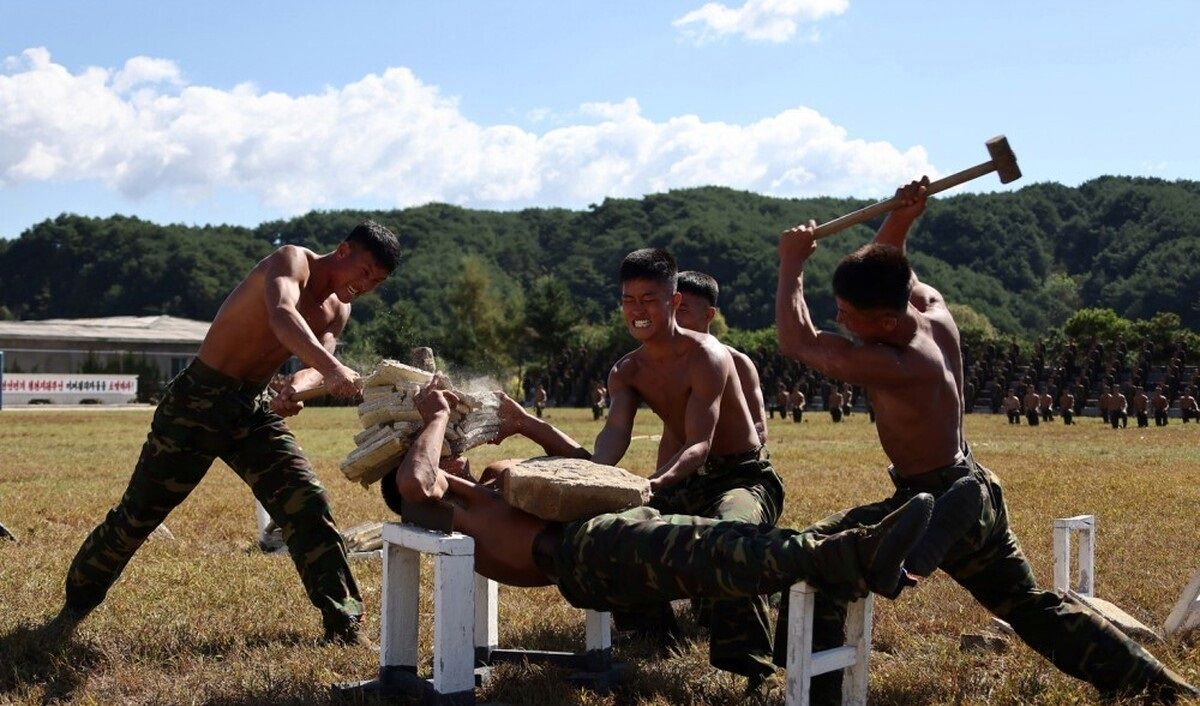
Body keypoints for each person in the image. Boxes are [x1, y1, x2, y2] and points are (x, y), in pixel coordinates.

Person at [775, 177, 1195, 703]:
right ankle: (1156, 685)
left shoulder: (897, 364)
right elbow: (892, 263)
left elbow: (797, 339)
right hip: (970, 488)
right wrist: (903, 216)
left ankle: (826, 678)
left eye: (847, 313)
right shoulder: (934, 314)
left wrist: (791, 261)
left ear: (884, 319)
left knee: (819, 554)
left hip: (939, 499)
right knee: (1026, 607)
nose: (838, 317)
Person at [382, 382, 934, 659]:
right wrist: (435, 418)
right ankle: (850, 555)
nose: (451, 451)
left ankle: (872, 530)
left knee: (723, 542)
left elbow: (584, 464)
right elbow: (415, 480)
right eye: (437, 449)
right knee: (715, 549)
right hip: (582, 552)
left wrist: (526, 424)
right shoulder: (433, 500)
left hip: (603, 533)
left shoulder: (484, 489)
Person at [52, 220, 401, 644]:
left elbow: (316, 364)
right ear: (343, 251)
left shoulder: (338, 309)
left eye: (376, 282)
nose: (365, 286)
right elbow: (282, 315)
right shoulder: (292, 261)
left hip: (249, 410)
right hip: (196, 401)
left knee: (306, 503)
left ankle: (343, 623)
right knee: (138, 516)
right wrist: (332, 371)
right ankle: (75, 604)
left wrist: (296, 386)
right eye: (364, 272)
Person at [486, 248, 785, 683]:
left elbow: (700, 443)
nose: (637, 310)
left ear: (674, 302)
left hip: (740, 476)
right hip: (680, 481)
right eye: (628, 300)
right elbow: (612, 440)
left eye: (648, 299)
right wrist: (595, 478)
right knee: (614, 532)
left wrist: (656, 482)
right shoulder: (626, 371)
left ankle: (749, 665)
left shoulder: (708, 355)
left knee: (733, 531)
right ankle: (652, 632)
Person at [674, 270, 769, 445]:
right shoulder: (668, 364)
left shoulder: (738, 363)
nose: (673, 318)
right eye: (671, 309)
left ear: (709, 315)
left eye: (682, 310)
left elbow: (759, 429)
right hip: (684, 464)